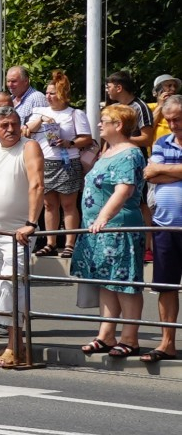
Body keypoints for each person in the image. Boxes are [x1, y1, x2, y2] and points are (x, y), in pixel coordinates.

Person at [73, 103, 150, 357]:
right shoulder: (108, 150)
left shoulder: (130, 153)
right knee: (106, 282)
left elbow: (124, 189)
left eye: (104, 120)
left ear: (118, 125)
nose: (98, 124)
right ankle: (106, 334)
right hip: (99, 229)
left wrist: (103, 217)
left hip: (119, 227)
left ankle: (130, 338)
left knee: (125, 283)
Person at [0, 106, 42, 368]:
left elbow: (37, 184)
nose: (10, 129)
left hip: (18, 230)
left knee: (12, 284)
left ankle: (16, 346)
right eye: (4, 125)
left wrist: (31, 223)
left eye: (14, 123)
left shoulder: (29, 146)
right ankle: (11, 344)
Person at [25, 72, 93, 257]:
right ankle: (51, 241)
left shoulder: (74, 113)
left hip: (67, 161)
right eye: (47, 93)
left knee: (68, 205)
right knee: (49, 205)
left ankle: (70, 243)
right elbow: (27, 131)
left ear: (62, 94)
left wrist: (69, 143)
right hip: (45, 161)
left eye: (53, 93)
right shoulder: (40, 111)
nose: (48, 96)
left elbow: (87, 138)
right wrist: (42, 119)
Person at [142, 94, 182, 364]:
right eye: (169, 120)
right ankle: (167, 343)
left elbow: (159, 171)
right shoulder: (162, 141)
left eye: (177, 119)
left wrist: (163, 169)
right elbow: (149, 173)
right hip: (165, 225)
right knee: (166, 287)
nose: (173, 124)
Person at [104, 70, 158, 151]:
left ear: (119, 88)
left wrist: (120, 139)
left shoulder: (140, 107)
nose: (107, 90)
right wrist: (103, 156)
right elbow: (108, 139)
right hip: (112, 156)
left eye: (109, 87)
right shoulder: (114, 107)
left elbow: (147, 140)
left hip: (132, 158)